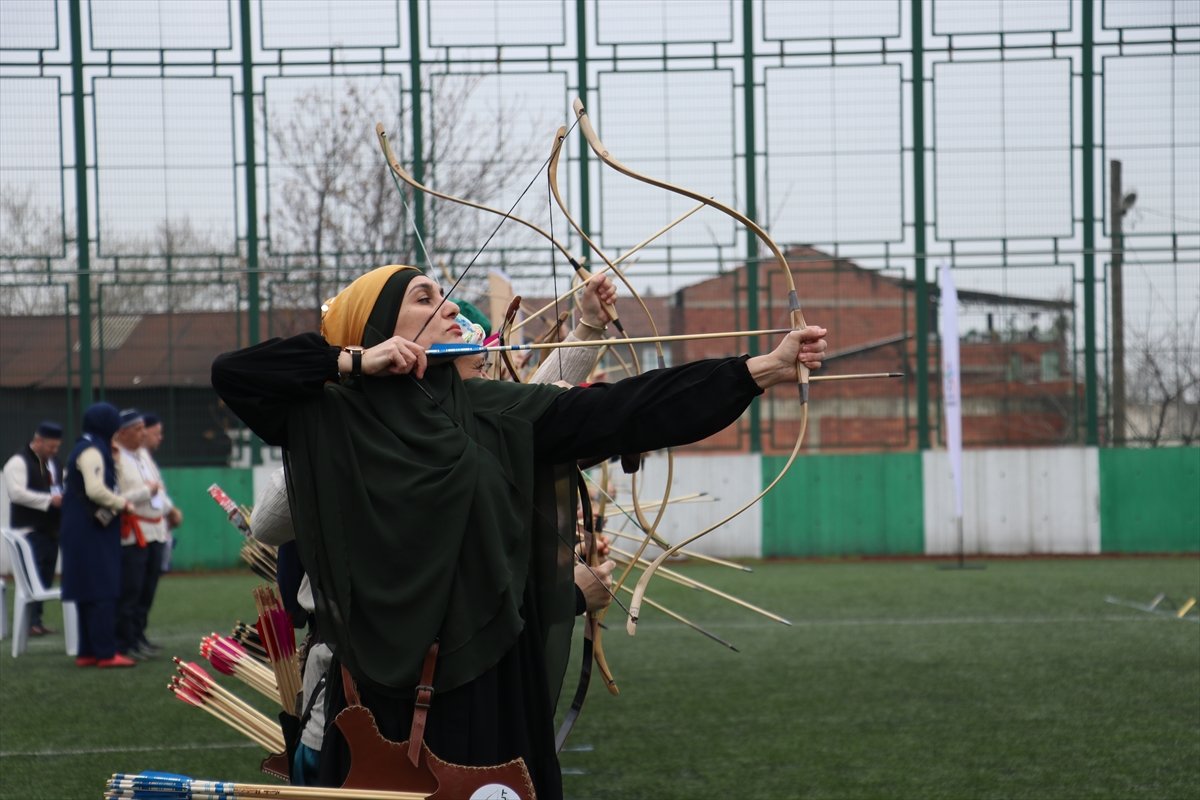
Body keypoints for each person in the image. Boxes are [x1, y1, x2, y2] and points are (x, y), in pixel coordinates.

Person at [212, 264, 826, 799]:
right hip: (368, 700)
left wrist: (758, 370)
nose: (450, 305)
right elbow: (235, 373)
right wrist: (352, 362)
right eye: (424, 297)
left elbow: (623, 409)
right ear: (377, 329)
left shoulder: (491, 412)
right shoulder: (331, 420)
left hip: (486, 682)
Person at [248, 274, 623, 786]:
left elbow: (523, 404)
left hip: (456, 689)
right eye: (473, 359)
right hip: (365, 688)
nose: (484, 371)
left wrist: (586, 329)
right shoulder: (358, 428)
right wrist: (352, 409)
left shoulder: (471, 425)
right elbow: (268, 521)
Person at [60, 403, 136, 668]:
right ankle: (105, 653)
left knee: (86, 589)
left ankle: (87, 651)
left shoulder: (84, 445)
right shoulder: (93, 450)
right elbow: (95, 490)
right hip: (91, 529)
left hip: (76, 528)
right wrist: (122, 504)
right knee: (102, 587)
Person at [112, 409, 166, 659]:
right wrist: (146, 492)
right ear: (122, 432)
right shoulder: (116, 458)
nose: (143, 433)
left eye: (144, 428)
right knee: (131, 589)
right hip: (134, 531)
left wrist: (168, 509)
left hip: (156, 529)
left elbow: (159, 487)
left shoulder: (143, 455)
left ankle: (140, 635)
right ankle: (125, 640)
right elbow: (117, 498)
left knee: (148, 588)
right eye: (137, 429)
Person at [3, 421, 65, 636]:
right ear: (38, 441)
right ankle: (28, 623)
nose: (55, 451)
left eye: (57, 447)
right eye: (51, 447)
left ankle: (36, 621)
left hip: (49, 531)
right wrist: (49, 500)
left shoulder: (54, 462)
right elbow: (16, 493)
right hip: (28, 532)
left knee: (45, 578)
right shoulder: (18, 462)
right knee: (32, 578)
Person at [139, 413, 182, 573]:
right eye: (157, 433)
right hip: (140, 533)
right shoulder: (131, 459)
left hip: (156, 529)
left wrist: (170, 511)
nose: (160, 438)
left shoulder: (147, 460)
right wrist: (170, 511)